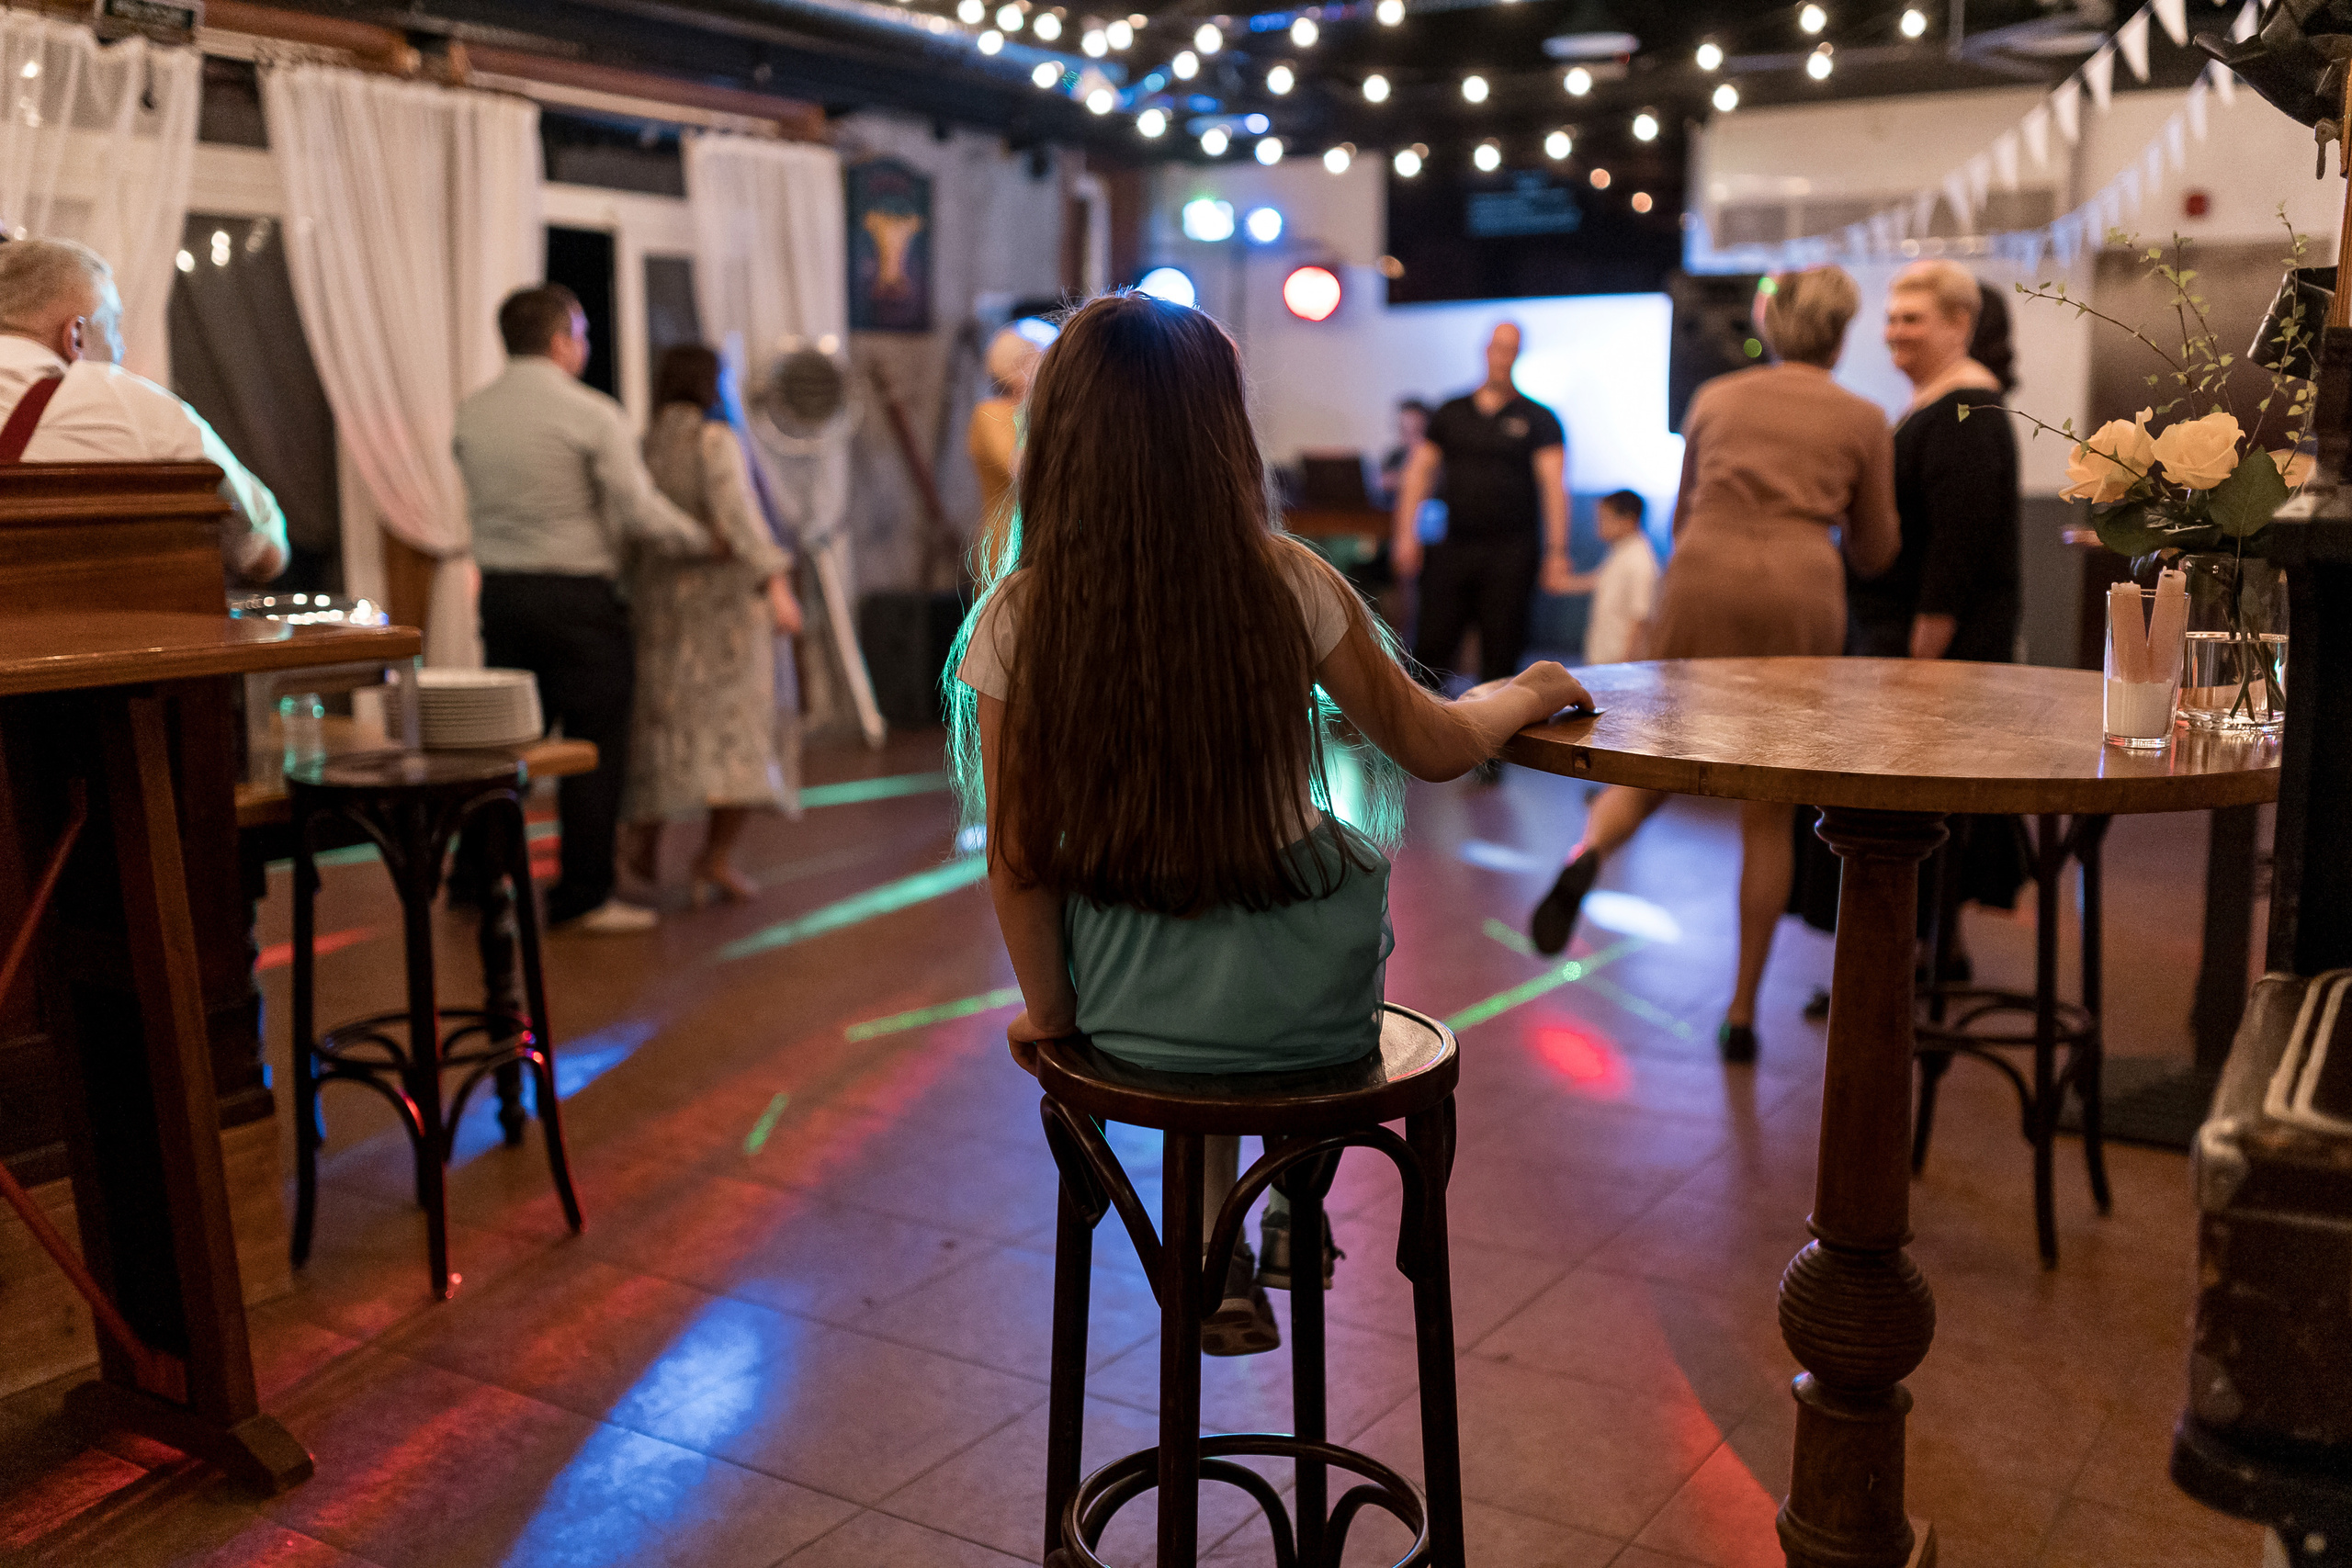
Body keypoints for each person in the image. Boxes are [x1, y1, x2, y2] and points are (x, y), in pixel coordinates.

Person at [952, 290, 1587, 1354]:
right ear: (1221, 432)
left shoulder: (1019, 613)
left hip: (1132, 1018)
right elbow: (1434, 745)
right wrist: (1529, 688)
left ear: (1057, 434)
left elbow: (1018, 858)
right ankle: (1293, 1190)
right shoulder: (1290, 580)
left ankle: (1216, 1258)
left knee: (1185, 999)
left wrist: (1052, 1018)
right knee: (1288, 941)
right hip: (1308, 1019)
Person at [1526, 266, 1900, 1064]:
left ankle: (1585, 855)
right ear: (1841, 334)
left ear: (1771, 325)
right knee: (1768, 804)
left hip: (1704, 574)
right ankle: (1740, 1012)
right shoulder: (1865, 417)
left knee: (1657, 759)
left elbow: (1684, 504)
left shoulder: (1716, 398)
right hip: (1799, 588)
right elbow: (1875, 549)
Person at [455, 284, 721, 935]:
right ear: (560, 341)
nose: (585, 345)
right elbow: (639, 511)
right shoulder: (591, 413)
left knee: (504, 746)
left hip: (502, 596)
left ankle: (473, 878)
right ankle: (582, 896)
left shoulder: (471, 413)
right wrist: (702, 539)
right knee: (592, 749)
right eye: (581, 333)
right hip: (578, 601)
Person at [619, 344, 802, 905]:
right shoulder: (715, 441)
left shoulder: (641, 446)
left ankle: (642, 847)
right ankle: (713, 858)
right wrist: (777, 584)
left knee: (661, 735)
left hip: (660, 613)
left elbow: (630, 530)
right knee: (738, 736)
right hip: (725, 620)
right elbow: (740, 520)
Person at [0, 238, 287, 582]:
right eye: (113, 326)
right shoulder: (130, 405)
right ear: (75, 337)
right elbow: (263, 552)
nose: (121, 347)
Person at [1849, 261, 2021, 661]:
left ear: (1959, 325)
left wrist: (1922, 659)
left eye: (1911, 320)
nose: (1894, 333)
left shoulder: (1965, 410)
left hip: (1939, 658)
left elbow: (1956, 549)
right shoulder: (1935, 404)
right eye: (1891, 319)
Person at [1390, 323, 1575, 694]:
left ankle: (1494, 732)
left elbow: (1554, 488)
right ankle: (1419, 727)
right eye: (1497, 347)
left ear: (1518, 355)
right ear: (1486, 350)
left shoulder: (1539, 419)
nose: (1502, 356)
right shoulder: (1451, 412)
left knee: (1501, 656)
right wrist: (1405, 536)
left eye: (1511, 349)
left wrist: (1557, 552)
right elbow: (1418, 474)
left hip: (1511, 552)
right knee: (1431, 648)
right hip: (1453, 547)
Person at [1559, 490, 1658, 665]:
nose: (1599, 524)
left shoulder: (1640, 561)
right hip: (1603, 655)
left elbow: (1641, 617)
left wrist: (1626, 662)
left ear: (1629, 520)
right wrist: (1562, 584)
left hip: (1617, 660)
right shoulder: (1620, 551)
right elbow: (1599, 580)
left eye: (1605, 518)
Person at [969, 323, 1043, 543]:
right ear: (1014, 369)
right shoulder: (990, 414)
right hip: (1008, 542)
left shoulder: (1036, 413)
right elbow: (1020, 468)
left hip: (1038, 538)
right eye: (1036, 361)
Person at [1376, 398, 1430, 508]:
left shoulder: (1438, 460)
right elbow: (1378, 483)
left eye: (1416, 431)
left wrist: (1401, 480)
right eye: (1403, 431)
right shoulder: (1394, 456)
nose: (1408, 438)